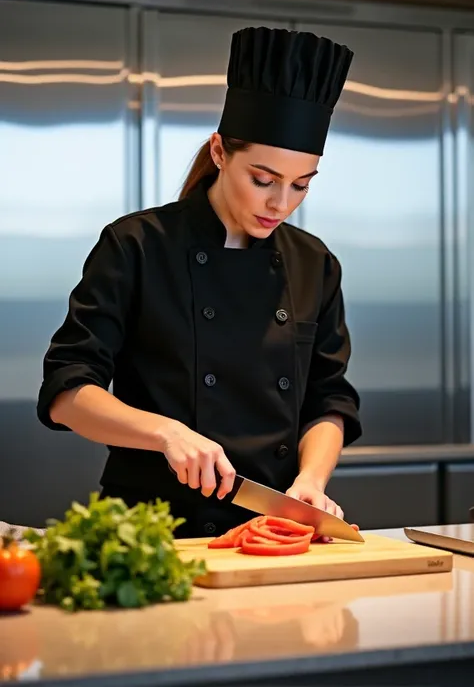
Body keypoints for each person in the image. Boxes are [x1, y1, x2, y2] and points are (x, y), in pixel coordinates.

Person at [37, 26, 362, 539]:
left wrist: (310, 480)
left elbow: (329, 400)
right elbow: (67, 390)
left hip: (269, 530)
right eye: (263, 178)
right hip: (152, 534)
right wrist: (165, 432)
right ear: (219, 152)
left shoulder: (313, 263)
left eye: (301, 184)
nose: (281, 203)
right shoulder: (137, 245)